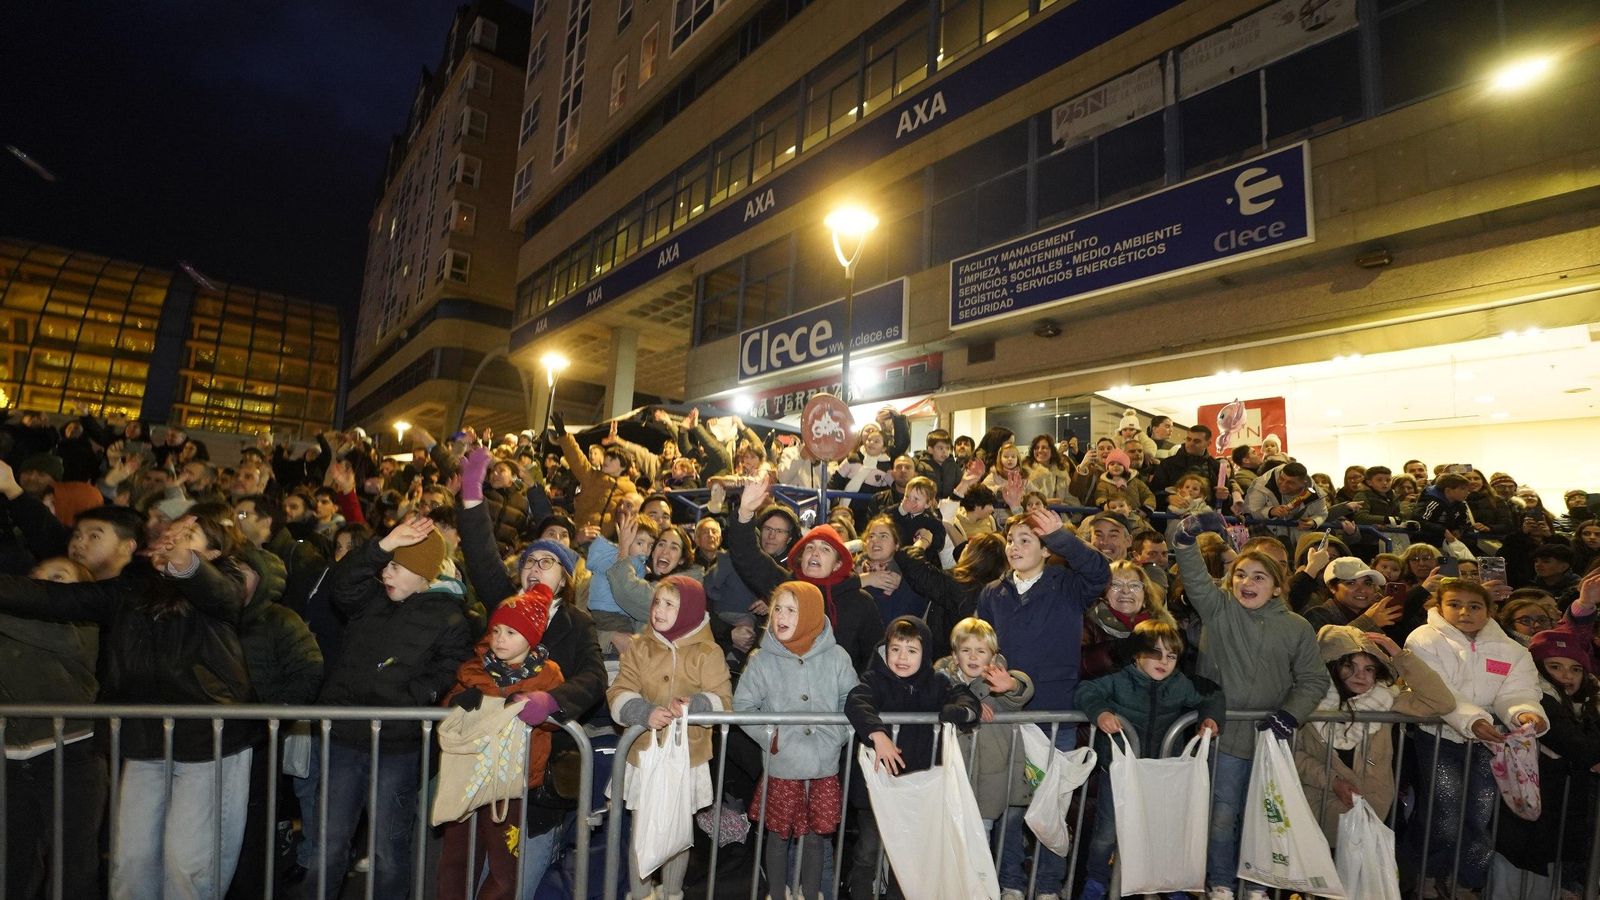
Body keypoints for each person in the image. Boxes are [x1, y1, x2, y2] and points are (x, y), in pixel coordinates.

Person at [0, 508, 255, 900]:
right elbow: (58, 598)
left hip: (208, 739)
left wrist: (184, 563)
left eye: (189, 535)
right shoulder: (133, 587)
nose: (173, 538)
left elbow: (222, 594)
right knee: (130, 862)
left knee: (187, 863)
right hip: (143, 738)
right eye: (171, 532)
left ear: (216, 552)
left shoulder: (231, 579)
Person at [309, 516, 474, 900]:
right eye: (387, 565)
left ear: (423, 575)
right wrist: (383, 546)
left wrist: (410, 697)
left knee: (388, 848)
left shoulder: (449, 617)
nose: (387, 574)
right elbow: (342, 584)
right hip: (345, 736)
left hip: (398, 745)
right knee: (328, 843)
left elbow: (450, 669)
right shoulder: (370, 600)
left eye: (397, 567)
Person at [1170, 515, 1329, 898]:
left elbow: (1314, 680)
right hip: (1222, 736)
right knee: (1222, 817)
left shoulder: (1296, 627)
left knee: (1265, 817)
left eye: (1259, 577)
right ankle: (1222, 883)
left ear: (1277, 587)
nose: (1247, 583)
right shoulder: (1218, 609)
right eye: (1241, 574)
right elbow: (1192, 574)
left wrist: (1290, 714)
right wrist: (1187, 536)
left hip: (1270, 740)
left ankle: (1257, 883)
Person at [977, 508, 1110, 897]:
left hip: (1056, 716)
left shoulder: (1066, 584)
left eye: (1025, 540)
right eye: (1011, 540)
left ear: (1046, 549)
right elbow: (982, 648)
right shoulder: (992, 593)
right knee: (1010, 807)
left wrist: (1062, 536)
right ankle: (1011, 882)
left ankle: (1050, 885)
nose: (1014, 547)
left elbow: (1100, 573)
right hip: (1007, 716)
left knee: (1051, 805)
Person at [1402, 579, 1548, 897]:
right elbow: (1438, 691)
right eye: (1454, 604)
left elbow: (1518, 691)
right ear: (1439, 607)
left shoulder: (1512, 649)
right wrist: (1475, 721)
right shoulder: (1423, 639)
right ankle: (1429, 874)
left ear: (1489, 610)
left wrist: (1524, 713)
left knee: (1481, 811)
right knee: (1445, 808)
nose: (1464, 611)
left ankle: (1469, 880)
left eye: (1474, 605)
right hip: (1439, 735)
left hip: (1490, 740)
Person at [1075, 620, 1223, 900]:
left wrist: (1210, 718)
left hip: (1161, 773)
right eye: (1155, 653)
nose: (1163, 661)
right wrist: (1101, 712)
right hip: (1119, 771)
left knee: (1164, 829)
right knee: (1107, 830)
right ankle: (1095, 880)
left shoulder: (1180, 684)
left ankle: (1170, 884)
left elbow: (1212, 694)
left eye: (1171, 655)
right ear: (1136, 654)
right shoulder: (1120, 680)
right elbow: (1086, 691)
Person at [436, 584, 566, 900]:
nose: (499, 639)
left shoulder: (548, 675)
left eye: (510, 632)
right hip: (469, 777)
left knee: (505, 870)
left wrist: (542, 710)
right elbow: (448, 713)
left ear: (532, 636)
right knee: (456, 861)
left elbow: (557, 722)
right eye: (496, 630)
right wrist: (457, 701)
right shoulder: (474, 669)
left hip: (511, 785)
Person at [607, 575, 732, 900]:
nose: (659, 610)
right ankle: (641, 893)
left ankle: (673, 893)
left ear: (689, 610)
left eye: (670, 604)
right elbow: (619, 690)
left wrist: (697, 706)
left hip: (686, 757)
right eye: (657, 602)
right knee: (642, 830)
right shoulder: (640, 646)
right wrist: (641, 712)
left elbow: (723, 698)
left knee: (679, 829)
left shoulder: (708, 651)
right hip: (644, 754)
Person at [732, 581, 857, 900]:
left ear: (812, 615)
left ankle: (812, 893)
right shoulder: (762, 658)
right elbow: (744, 706)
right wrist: (770, 737)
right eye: (777, 609)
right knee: (778, 835)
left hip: (823, 765)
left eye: (792, 610)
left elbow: (851, 698)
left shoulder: (836, 656)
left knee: (817, 837)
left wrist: (837, 735)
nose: (781, 617)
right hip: (782, 764)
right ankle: (777, 892)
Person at [844, 615, 980, 900]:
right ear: (885, 650)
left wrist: (958, 711)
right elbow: (856, 701)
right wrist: (877, 735)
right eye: (895, 649)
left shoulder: (937, 682)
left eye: (911, 650)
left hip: (916, 789)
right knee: (868, 850)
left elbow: (967, 700)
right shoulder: (874, 679)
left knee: (907, 858)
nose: (902, 657)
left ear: (925, 653)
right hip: (876, 789)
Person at [1, 556, 105, 900]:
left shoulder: (82, 625)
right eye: (34, 579)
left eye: (57, 578)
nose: (41, 586)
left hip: (71, 750)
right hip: (12, 756)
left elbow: (46, 632)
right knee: (13, 865)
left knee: (72, 864)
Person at [1293, 625, 1453, 845]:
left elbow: (1442, 702)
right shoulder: (1306, 702)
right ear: (1331, 665)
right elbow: (1294, 755)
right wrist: (1332, 781)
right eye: (1349, 666)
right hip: (1314, 807)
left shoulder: (1385, 699)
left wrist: (1400, 656)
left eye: (1369, 668)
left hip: (1370, 812)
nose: (1361, 675)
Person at [1498, 574, 1599, 895]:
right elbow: (1578, 747)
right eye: (1556, 667)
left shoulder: (1589, 702)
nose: (1566, 675)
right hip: (1529, 816)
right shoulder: (1539, 698)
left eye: (1575, 669)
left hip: (1562, 817)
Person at [725, 475, 881, 671]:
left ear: (837, 564)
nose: (815, 552)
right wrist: (746, 512)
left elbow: (873, 661)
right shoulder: (785, 585)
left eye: (825, 549)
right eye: (809, 547)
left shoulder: (861, 602)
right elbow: (748, 556)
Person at [932, 617, 1036, 897]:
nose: (973, 657)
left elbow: (1022, 690)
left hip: (991, 775)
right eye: (966, 650)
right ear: (954, 655)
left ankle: (981, 889)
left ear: (993, 655)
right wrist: (966, 703)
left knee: (982, 836)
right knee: (952, 837)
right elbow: (933, 700)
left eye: (981, 651)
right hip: (953, 773)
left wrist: (1012, 685)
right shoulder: (941, 681)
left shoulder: (997, 681)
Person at [1080, 559, 1175, 680]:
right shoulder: (1087, 623)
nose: (1125, 591)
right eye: (1115, 585)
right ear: (1103, 593)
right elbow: (1078, 667)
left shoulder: (1162, 628)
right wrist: (1116, 651)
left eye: (1134, 585)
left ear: (1145, 595)